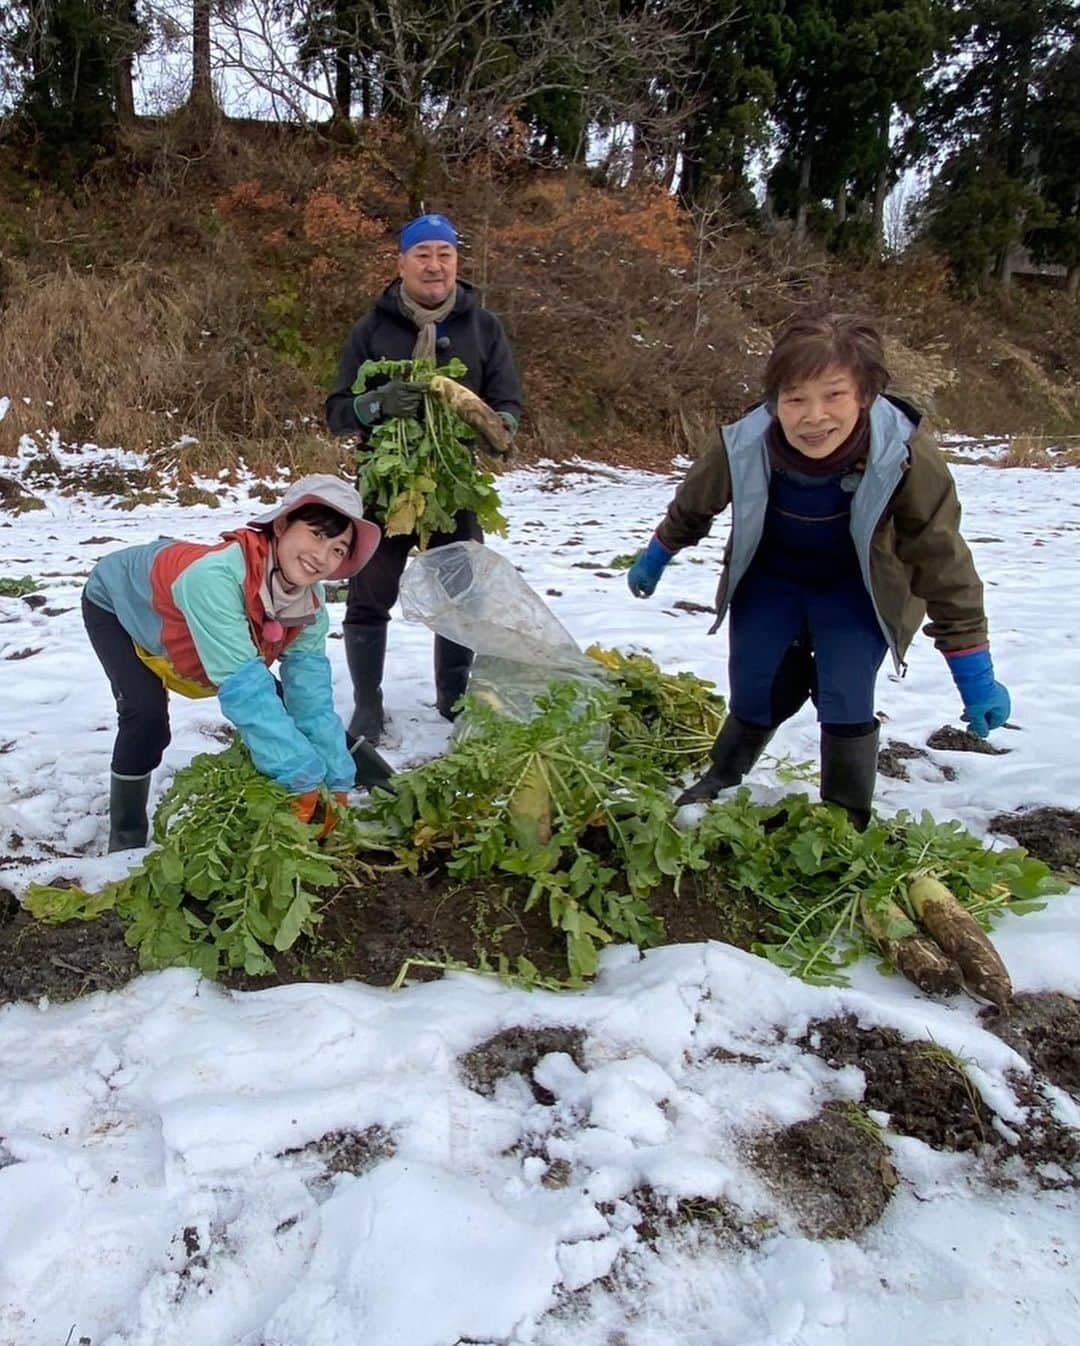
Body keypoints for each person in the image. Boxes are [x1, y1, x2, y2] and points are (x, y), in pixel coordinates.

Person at [626, 311, 1011, 829]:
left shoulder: (904, 455)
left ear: (865, 395)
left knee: (846, 695)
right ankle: (721, 775)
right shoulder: (745, 443)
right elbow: (696, 504)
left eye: (834, 396)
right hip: (771, 580)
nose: (814, 417)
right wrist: (657, 554)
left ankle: (845, 818)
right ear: (774, 400)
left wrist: (974, 669)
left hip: (858, 590)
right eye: (795, 398)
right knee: (754, 684)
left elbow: (940, 558)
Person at [82, 475, 382, 851]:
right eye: (317, 534)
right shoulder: (215, 580)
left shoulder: (309, 605)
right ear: (282, 525)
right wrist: (298, 775)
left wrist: (336, 776)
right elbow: (245, 690)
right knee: (146, 719)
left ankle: (374, 778)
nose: (323, 556)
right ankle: (125, 836)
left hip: (205, 636)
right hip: (124, 607)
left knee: (285, 709)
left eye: (339, 549)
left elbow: (311, 698)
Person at [326, 211, 523, 747]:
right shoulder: (371, 329)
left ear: (457, 262)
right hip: (387, 486)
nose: (435, 266)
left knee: (461, 593)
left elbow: (508, 402)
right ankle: (368, 703)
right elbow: (337, 411)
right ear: (402, 262)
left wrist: (499, 425)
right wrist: (376, 404)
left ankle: (453, 694)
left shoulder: (484, 328)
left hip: (454, 482)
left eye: (445, 255)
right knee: (369, 593)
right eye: (423, 255)